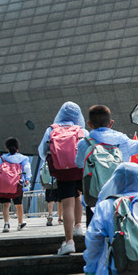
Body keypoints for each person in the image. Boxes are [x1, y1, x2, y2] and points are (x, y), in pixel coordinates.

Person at [76, 104, 138, 223]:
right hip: (120, 193)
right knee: (120, 223)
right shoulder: (121, 140)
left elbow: (78, 164)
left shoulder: (84, 143)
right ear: (111, 123)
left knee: (95, 226)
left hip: (95, 194)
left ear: (89, 124)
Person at [38, 101, 87, 255]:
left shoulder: (51, 129)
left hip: (62, 171)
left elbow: (43, 151)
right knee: (78, 196)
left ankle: (69, 242)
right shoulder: (81, 130)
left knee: (67, 205)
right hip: (79, 169)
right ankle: (78, 226)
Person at [0, 137, 32, 233]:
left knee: (6, 205)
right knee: (18, 205)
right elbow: (27, 169)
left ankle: (6, 224)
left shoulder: (2, 159)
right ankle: (20, 224)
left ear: (6, 148)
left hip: (4, 185)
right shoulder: (23, 158)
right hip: (17, 184)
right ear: (17, 148)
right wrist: (27, 179)